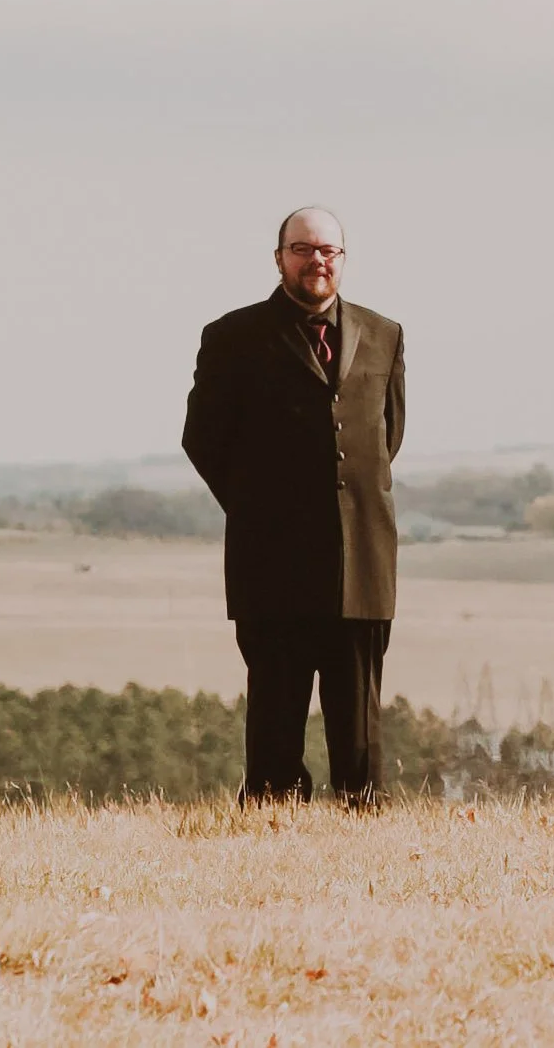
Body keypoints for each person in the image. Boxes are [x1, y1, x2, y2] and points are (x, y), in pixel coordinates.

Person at [183, 207, 405, 806]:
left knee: (358, 718)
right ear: (279, 257)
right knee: (277, 709)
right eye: (303, 249)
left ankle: (364, 818)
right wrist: (261, 509)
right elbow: (203, 439)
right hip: (271, 559)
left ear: (343, 258)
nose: (317, 260)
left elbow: (388, 436)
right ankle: (273, 820)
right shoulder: (232, 336)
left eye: (328, 250)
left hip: (362, 560)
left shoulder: (384, 334)